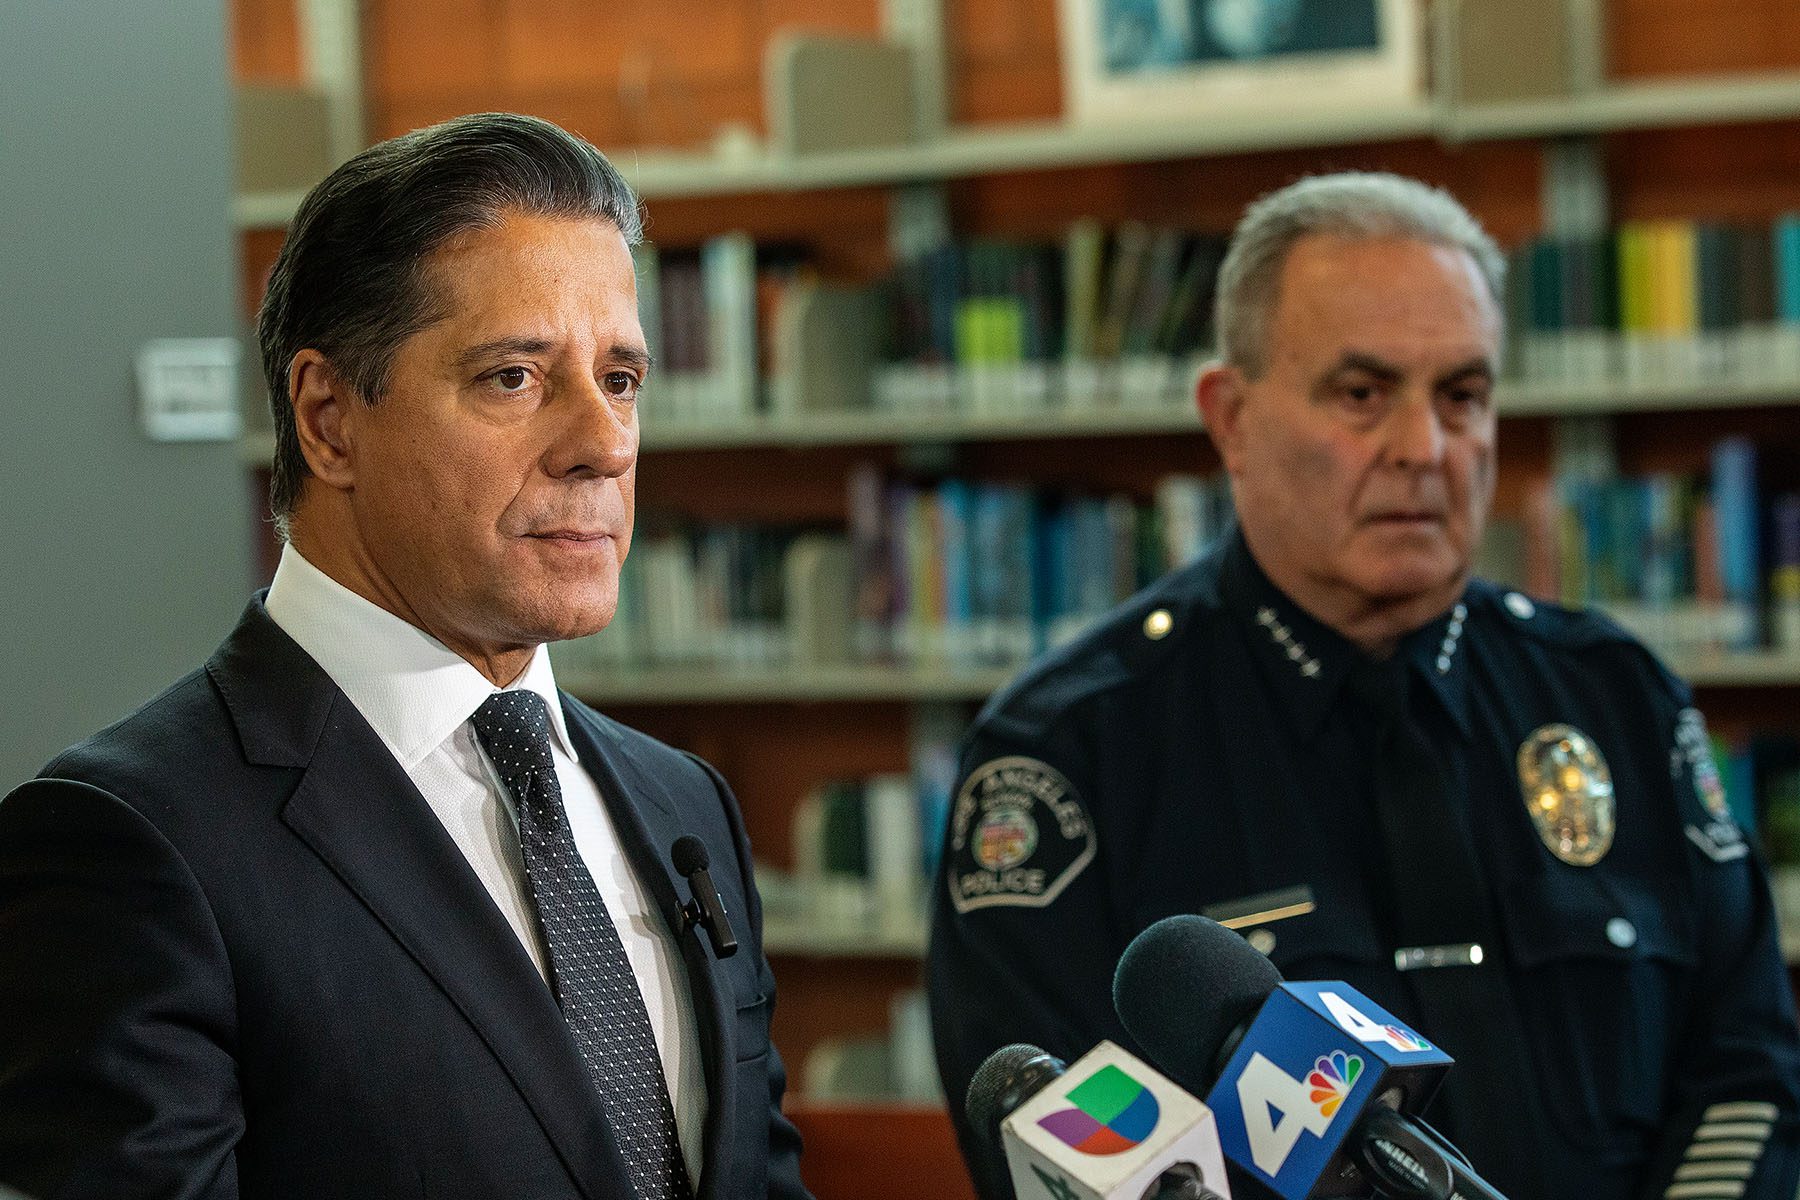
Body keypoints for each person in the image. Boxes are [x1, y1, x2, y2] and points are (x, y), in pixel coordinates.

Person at [928, 172, 1800, 1199]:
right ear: (1232, 418)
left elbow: (1748, 1076)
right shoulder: (1075, 753)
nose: (1424, 449)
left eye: (1463, 395)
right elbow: (1064, 1154)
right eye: (1362, 394)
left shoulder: (1615, 701)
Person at [0, 113, 809, 1200]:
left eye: (620, 378)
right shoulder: (133, 842)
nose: (604, 444)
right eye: (514, 377)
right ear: (329, 420)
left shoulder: (683, 805)